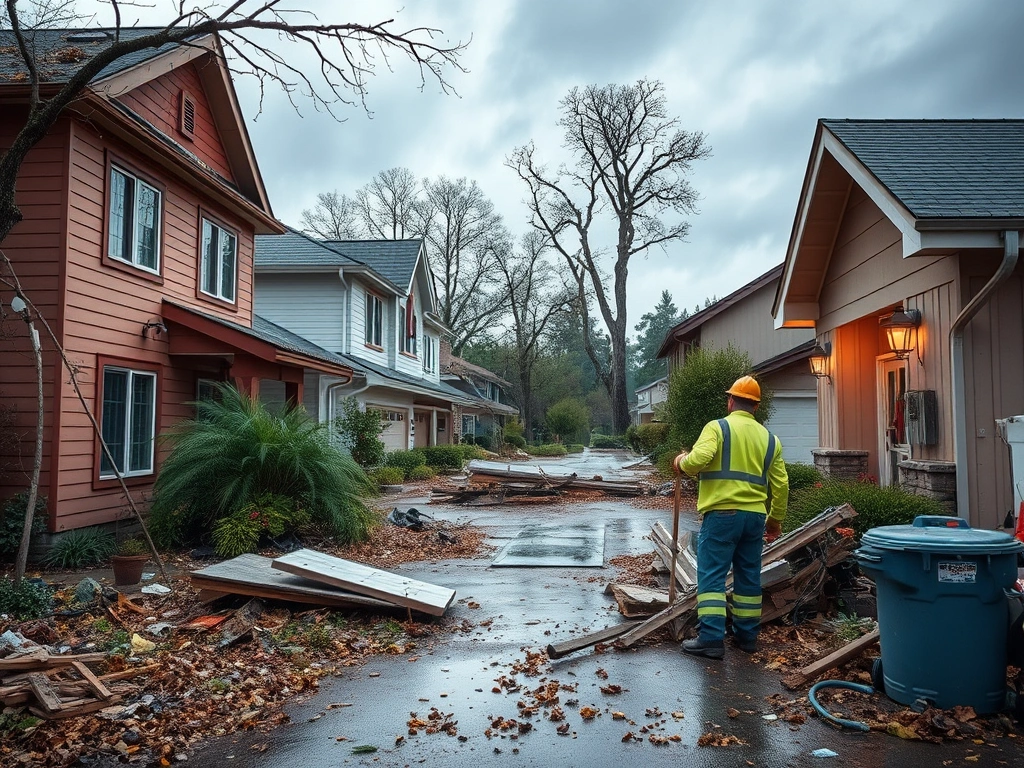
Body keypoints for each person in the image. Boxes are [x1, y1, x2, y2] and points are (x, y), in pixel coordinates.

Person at [674, 375, 788, 659]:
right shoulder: (770, 439)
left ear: (730, 401)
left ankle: (711, 639)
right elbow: (782, 485)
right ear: (756, 407)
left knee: (712, 576)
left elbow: (698, 461)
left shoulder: (718, 428)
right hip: (755, 519)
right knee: (748, 577)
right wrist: (775, 521)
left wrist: (681, 462)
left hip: (723, 514)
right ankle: (746, 637)